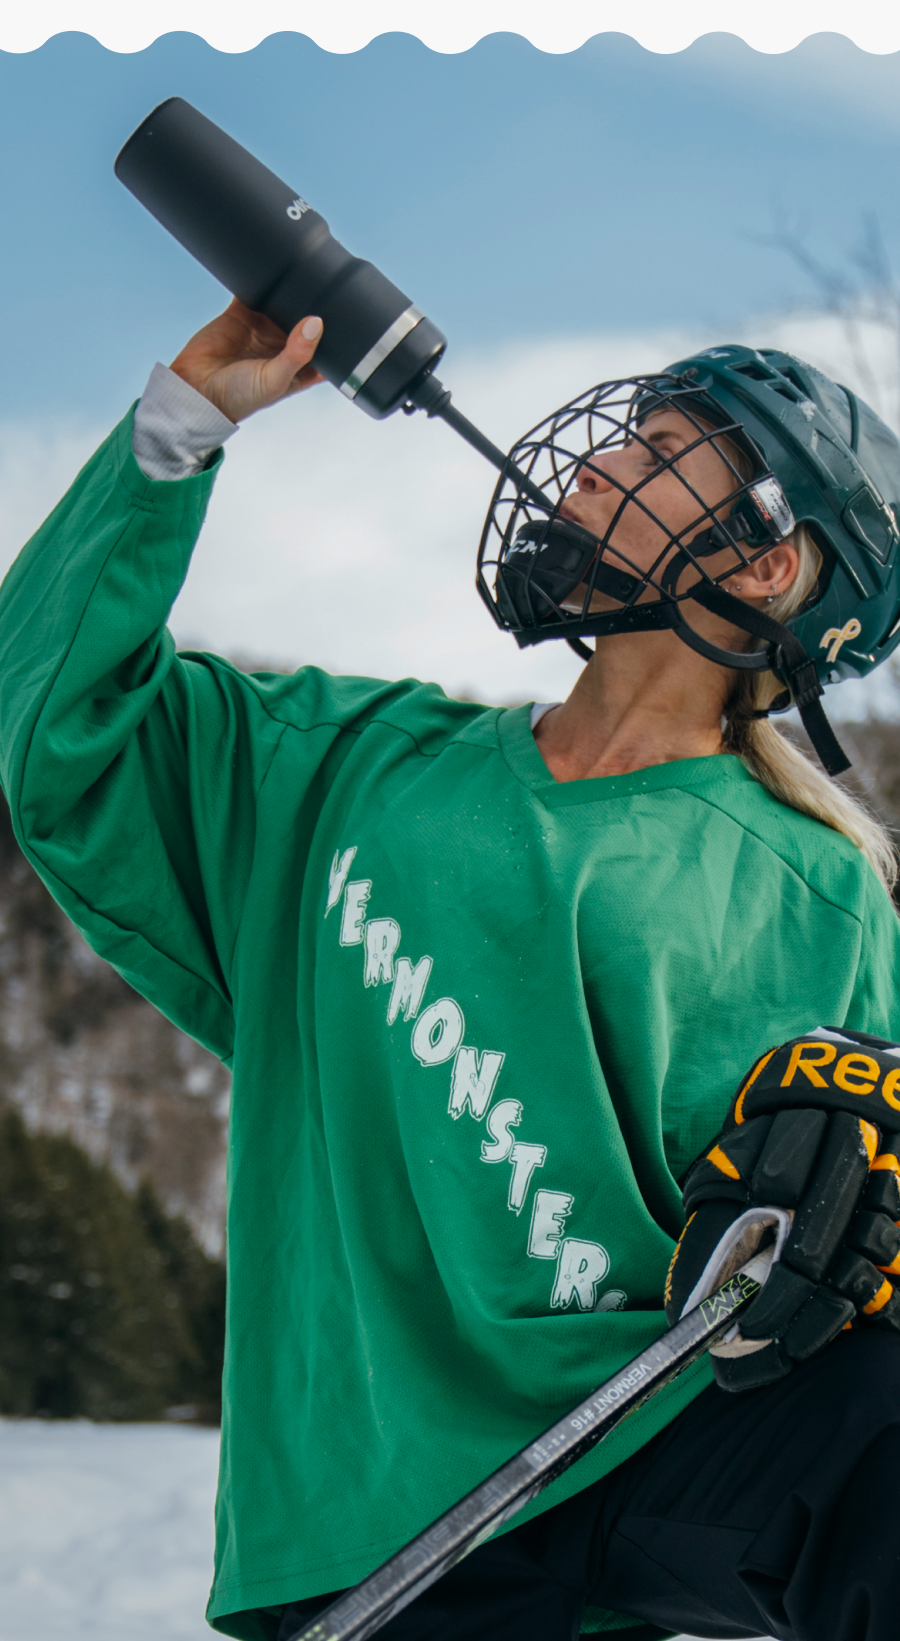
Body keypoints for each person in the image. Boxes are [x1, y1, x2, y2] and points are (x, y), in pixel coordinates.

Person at [2, 298, 900, 1641]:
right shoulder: (344, 764)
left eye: (659, 453)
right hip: (371, 1510)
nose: (597, 462)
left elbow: (845, 1220)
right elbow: (57, 726)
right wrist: (184, 421)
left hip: (637, 1436)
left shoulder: (816, 886)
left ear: (769, 569)